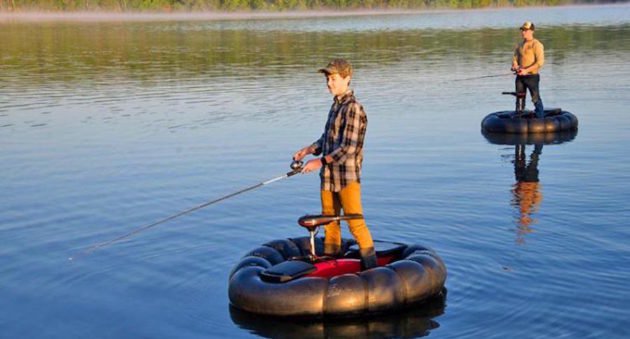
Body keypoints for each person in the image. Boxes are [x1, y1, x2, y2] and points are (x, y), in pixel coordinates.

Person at [292, 58, 377, 270]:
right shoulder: (335, 106)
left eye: (333, 79)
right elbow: (327, 139)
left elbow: (348, 148)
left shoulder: (354, 109)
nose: (329, 84)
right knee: (329, 223)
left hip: (346, 178)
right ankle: (332, 267)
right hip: (328, 177)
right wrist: (309, 150)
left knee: (355, 223)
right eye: (327, 79)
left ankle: (373, 270)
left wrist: (319, 162)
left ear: (347, 79)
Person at [511, 21, 545, 119]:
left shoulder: (537, 44)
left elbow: (540, 62)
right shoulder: (519, 45)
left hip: (532, 77)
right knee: (519, 98)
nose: (523, 32)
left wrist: (526, 70)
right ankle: (519, 117)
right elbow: (514, 59)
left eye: (526, 30)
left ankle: (540, 117)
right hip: (520, 77)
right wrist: (515, 66)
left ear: (532, 31)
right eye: (522, 30)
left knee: (535, 98)